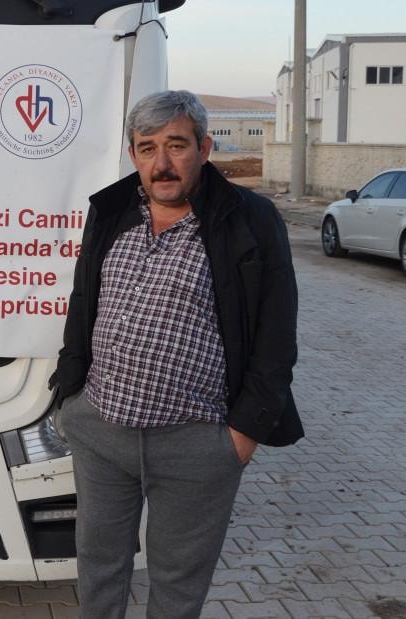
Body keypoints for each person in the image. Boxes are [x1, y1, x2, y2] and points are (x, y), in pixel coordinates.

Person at [50, 91, 302, 618]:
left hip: (196, 439)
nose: (161, 163)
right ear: (133, 155)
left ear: (204, 149)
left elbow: (276, 332)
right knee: (98, 565)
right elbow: (83, 299)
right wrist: (69, 397)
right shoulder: (110, 211)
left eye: (176, 145)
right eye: (147, 148)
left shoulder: (249, 219)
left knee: (177, 585)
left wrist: (242, 434)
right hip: (101, 430)